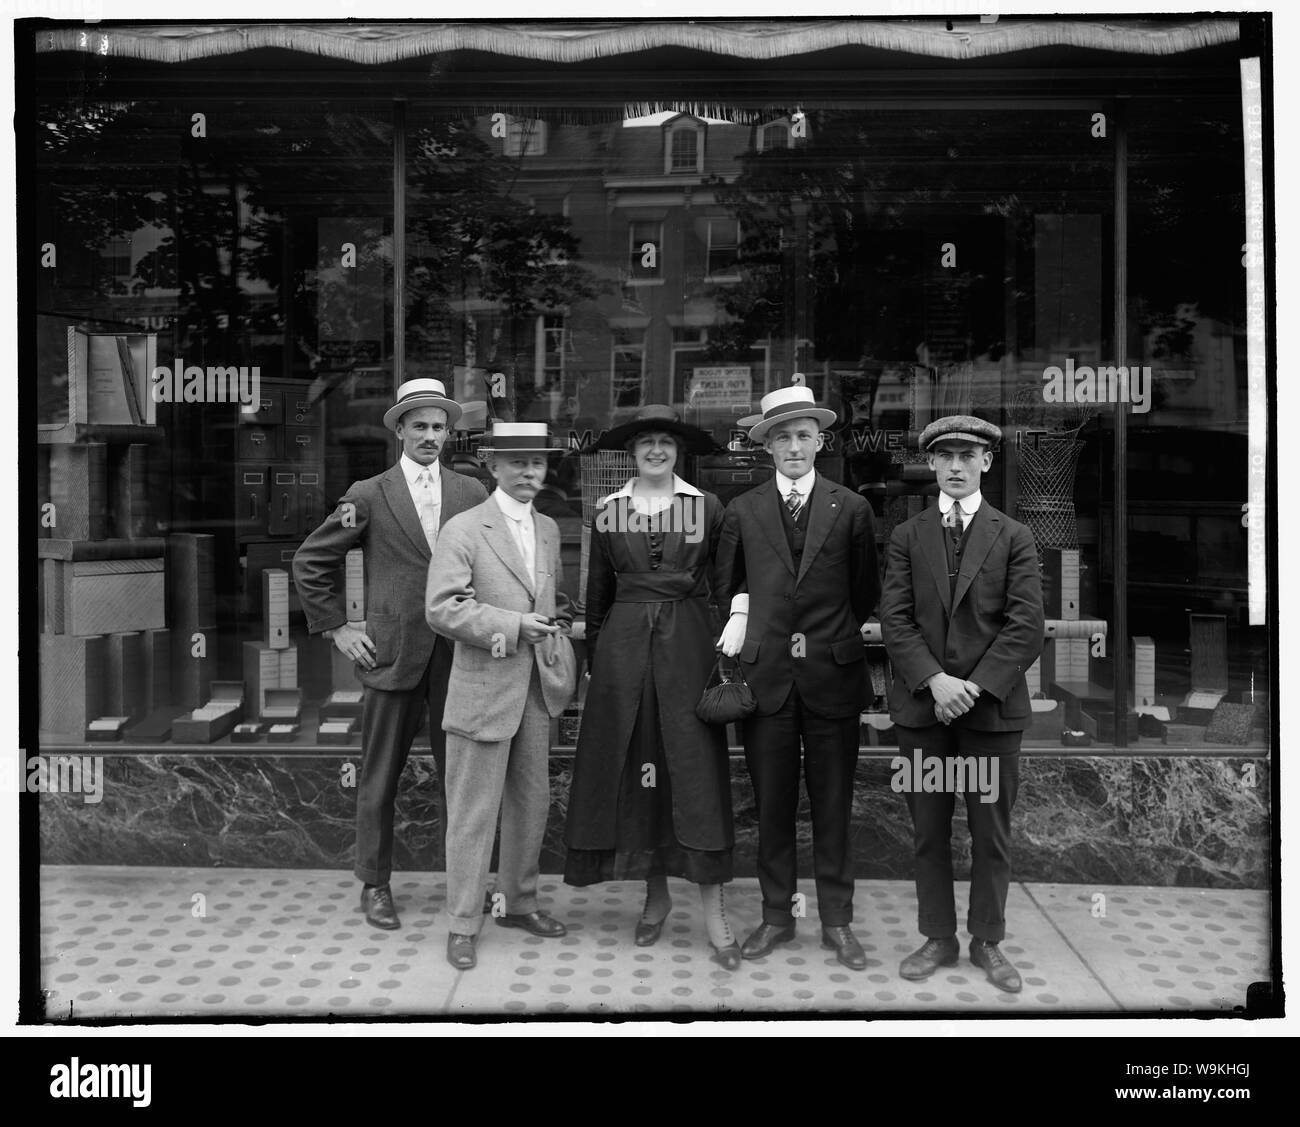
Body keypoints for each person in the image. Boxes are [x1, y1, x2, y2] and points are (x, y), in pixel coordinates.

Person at [293, 378, 486, 930]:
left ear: (449, 433)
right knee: (379, 778)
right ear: (399, 430)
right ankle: (374, 885)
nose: (430, 435)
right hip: (392, 655)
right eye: (419, 425)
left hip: (458, 656)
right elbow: (311, 561)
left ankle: (464, 886)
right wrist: (337, 627)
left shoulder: (472, 494)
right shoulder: (369, 494)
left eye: (438, 427)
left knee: (462, 779)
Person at [563, 406, 740, 968]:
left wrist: (730, 633)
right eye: (647, 444)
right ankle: (654, 897)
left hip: (688, 646)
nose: (657, 451)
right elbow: (597, 596)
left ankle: (714, 911)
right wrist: (596, 658)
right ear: (632, 453)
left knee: (693, 768)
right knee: (640, 766)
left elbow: (728, 582)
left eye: (666, 442)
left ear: (678, 450)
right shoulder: (610, 511)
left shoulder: (707, 506)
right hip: (623, 652)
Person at [715, 384, 880, 970]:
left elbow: (864, 594)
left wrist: (826, 643)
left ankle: (837, 922)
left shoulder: (851, 508)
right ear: (766, 446)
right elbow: (727, 585)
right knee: (773, 804)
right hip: (767, 682)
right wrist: (745, 618)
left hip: (832, 678)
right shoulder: (743, 510)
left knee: (834, 804)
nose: (793, 446)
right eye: (781, 437)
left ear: (820, 441)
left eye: (803, 436)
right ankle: (776, 917)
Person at [879, 415, 1044, 993]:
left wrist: (970, 686)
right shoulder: (907, 534)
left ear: (987, 463)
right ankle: (938, 937)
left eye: (966, 456)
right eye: (944, 456)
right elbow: (895, 621)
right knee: (928, 829)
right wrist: (935, 681)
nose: (954, 466)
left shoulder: (1014, 535)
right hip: (925, 712)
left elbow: (1026, 626)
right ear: (932, 463)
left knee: (989, 831)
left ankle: (988, 942)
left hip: (990, 713)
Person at [426, 421, 578, 970]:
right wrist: (516, 624)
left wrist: (556, 623)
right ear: (493, 466)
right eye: (517, 462)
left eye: (537, 463)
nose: (529, 472)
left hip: (535, 690)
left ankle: (519, 903)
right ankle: (463, 923)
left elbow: (552, 598)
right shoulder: (463, 529)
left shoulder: (548, 528)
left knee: (529, 805)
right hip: (483, 689)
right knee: (472, 812)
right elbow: (442, 608)